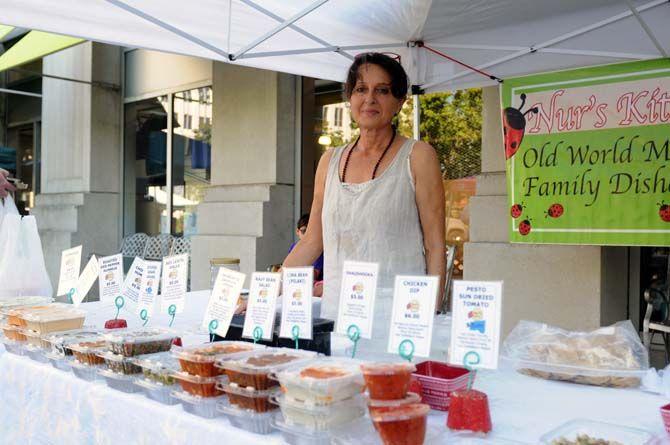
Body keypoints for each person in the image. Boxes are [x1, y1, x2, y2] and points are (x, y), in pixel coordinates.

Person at [283, 53, 446, 324]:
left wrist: (430, 315)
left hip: (397, 320)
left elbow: (435, 245)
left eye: (382, 90)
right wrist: (263, 294)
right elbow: (312, 241)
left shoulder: (418, 156)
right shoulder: (329, 160)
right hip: (336, 317)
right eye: (361, 89)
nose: (369, 98)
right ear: (350, 99)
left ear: (399, 102)